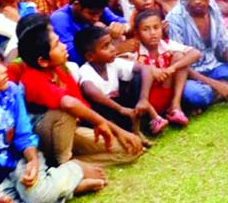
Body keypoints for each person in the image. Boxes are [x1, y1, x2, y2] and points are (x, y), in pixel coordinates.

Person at [0, 42, 104, 203]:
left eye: (0, 63)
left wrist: (33, 163)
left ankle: (73, 169)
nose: (3, 69)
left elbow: (24, 136)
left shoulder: (11, 91)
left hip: (18, 160)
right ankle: (68, 188)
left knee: (38, 198)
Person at [15, 14, 143, 166]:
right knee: (63, 112)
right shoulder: (31, 79)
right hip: (46, 139)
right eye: (57, 45)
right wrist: (115, 129)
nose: (63, 46)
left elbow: (82, 106)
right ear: (42, 61)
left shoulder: (60, 69)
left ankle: (73, 166)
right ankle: (65, 162)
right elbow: (70, 104)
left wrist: (110, 129)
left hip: (74, 131)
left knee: (129, 150)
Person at [77, 26, 166, 138]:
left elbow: (146, 69)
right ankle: (126, 132)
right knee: (100, 108)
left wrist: (144, 99)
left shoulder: (113, 63)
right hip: (104, 112)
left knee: (138, 77)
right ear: (90, 56)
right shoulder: (85, 71)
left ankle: (146, 122)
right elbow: (89, 90)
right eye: (105, 47)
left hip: (121, 107)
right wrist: (121, 109)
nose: (113, 49)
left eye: (110, 43)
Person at [132, 9, 198, 124]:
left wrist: (171, 68)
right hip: (148, 98)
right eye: (146, 29)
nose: (152, 33)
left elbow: (195, 53)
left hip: (168, 90)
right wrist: (152, 71)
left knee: (179, 56)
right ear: (137, 34)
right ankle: (154, 118)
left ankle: (175, 106)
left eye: (156, 27)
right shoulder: (135, 51)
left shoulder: (167, 44)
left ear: (162, 28)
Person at [50, 0, 128, 65]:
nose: (96, 18)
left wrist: (121, 27)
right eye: (92, 14)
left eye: (100, 14)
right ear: (77, 4)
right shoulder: (60, 19)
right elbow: (73, 57)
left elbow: (124, 23)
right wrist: (116, 50)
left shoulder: (97, 7)